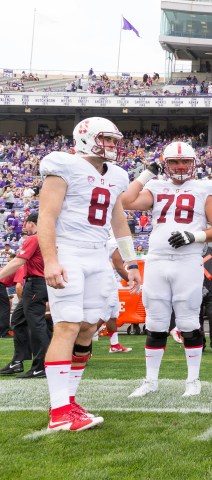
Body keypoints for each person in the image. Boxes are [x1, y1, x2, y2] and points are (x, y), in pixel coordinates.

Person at [39, 117, 142, 432]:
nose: (112, 145)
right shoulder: (63, 165)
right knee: (67, 326)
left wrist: (132, 263)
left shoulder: (118, 175)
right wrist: (51, 261)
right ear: (85, 138)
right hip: (69, 251)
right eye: (106, 139)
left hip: (98, 254)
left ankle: (68, 401)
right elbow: (47, 214)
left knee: (87, 328)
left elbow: (118, 220)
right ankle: (59, 412)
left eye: (114, 140)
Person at [123, 141, 212, 398]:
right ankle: (150, 380)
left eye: (185, 162)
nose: (180, 167)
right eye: (174, 162)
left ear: (193, 163)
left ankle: (193, 380)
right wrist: (147, 173)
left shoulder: (205, 188)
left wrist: (195, 236)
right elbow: (126, 200)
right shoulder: (156, 185)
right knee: (155, 322)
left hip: (187, 261)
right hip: (157, 259)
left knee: (189, 321)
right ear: (165, 164)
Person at [0, 214, 49, 377]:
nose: (23, 227)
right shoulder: (46, 237)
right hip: (37, 283)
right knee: (18, 320)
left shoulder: (34, 238)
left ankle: (41, 365)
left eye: (25, 224)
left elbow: (18, 261)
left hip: (36, 283)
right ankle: (18, 360)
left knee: (36, 324)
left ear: (30, 223)